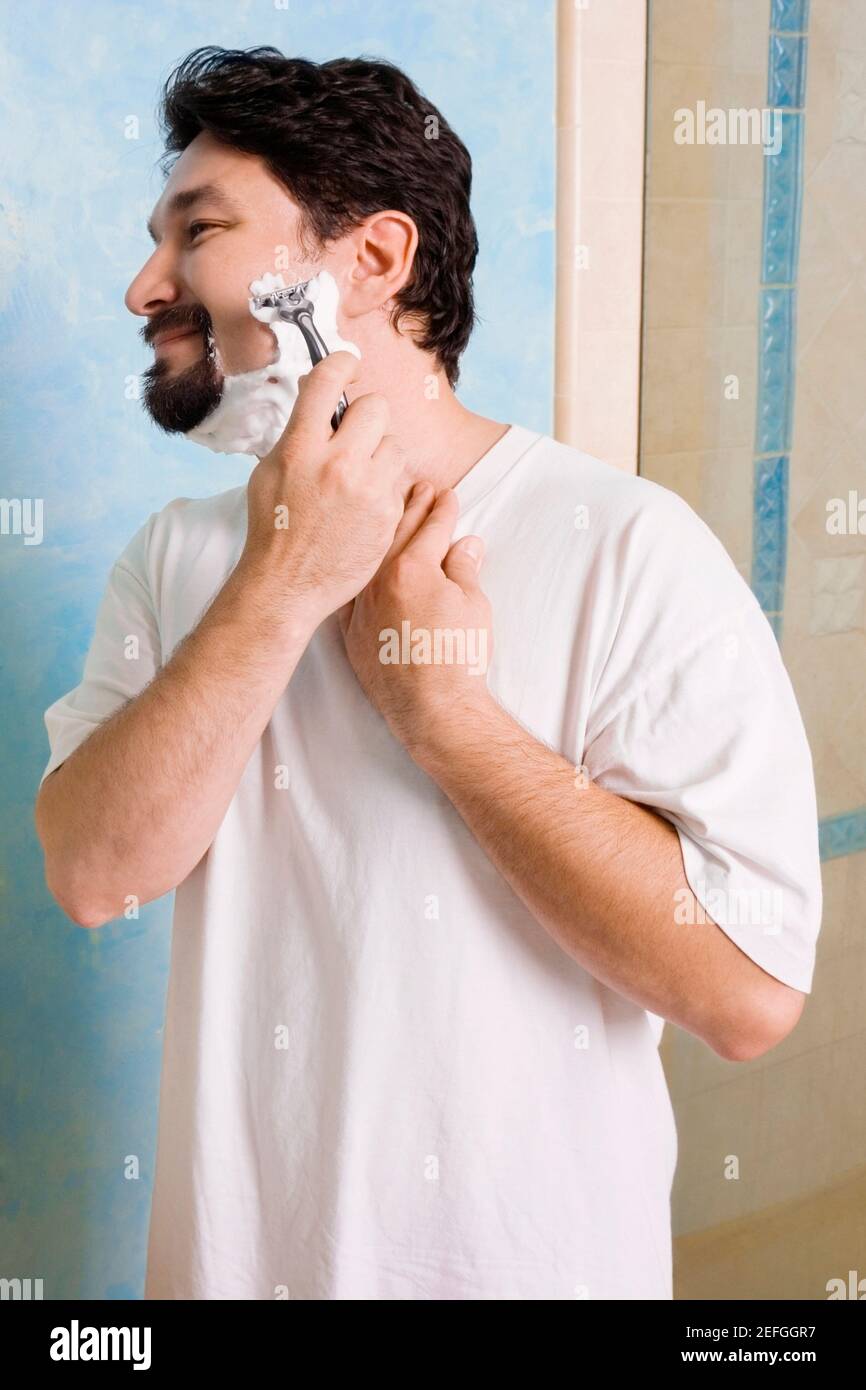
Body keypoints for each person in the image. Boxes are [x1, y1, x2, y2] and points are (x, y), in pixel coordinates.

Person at [35, 47, 822, 1300]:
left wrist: (443, 712)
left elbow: (744, 992)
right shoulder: (178, 560)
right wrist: (284, 584)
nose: (145, 285)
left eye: (199, 230)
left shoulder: (624, 545)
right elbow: (91, 872)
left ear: (376, 260)